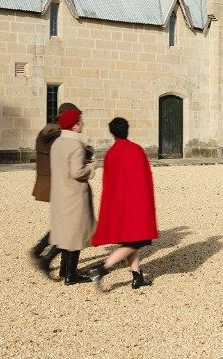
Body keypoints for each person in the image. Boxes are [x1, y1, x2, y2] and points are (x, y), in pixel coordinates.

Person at [88, 117, 158, 291]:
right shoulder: (136, 150)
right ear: (127, 129)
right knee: (137, 240)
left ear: (112, 133)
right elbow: (145, 179)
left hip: (120, 206)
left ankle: (137, 276)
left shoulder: (111, 153)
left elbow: (110, 184)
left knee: (131, 239)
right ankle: (102, 268)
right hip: (136, 204)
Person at [48, 108, 98, 285]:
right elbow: (77, 172)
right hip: (75, 194)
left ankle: (64, 270)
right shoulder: (75, 145)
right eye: (81, 121)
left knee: (67, 232)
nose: (83, 124)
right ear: (75, 125)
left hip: (60, 192)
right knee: (76, 234)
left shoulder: (58, 142)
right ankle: (71, 275)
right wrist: (92, 168)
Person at [30, 102, 80, 278]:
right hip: (61, 186)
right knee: (71, 225)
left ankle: (43, 253)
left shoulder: (48, 130)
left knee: (64, 223)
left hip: (51, 183)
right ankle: (55, 263)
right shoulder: (60, 135)